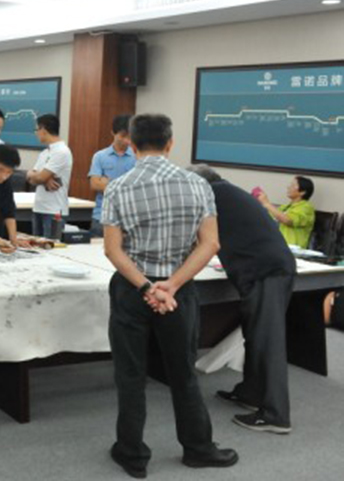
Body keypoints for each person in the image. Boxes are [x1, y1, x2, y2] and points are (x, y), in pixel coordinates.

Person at [101, 113, 237, 477]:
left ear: (131, 144)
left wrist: (147, 287)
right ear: (170, 143)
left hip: (132, 290)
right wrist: (172, 285)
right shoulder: (198, 185)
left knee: (130, 374)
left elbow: (113, 250)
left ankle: (131, 454)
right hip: (179, 291)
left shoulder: (118, 186)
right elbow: (210, 244)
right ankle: (199, 449)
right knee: (183, 372)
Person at [188, 164, 295, 434]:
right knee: (255, 335)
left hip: (266, 272)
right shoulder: (228, 192)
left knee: (267, 342)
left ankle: (276, 415)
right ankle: (251, 393)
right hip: (267, 268)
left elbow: (198, 240)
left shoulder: (211, 196)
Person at [88, 114, 136, 237]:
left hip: (128, 218)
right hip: (101, 215)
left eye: (130, 136)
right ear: (113, 133)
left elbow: (138, 188)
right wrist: (125, 186)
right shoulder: (100, 156)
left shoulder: (137, 157)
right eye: (123, 136)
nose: (127, 141)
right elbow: (94, 184)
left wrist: (107, 184)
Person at [27, 114, 73, 240]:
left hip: (54, 211)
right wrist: (42, 178)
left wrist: (41, 177)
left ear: (43, 129)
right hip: (38, 207)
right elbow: (31, 179)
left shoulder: (62, 151)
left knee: (51, 247)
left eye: (37, 130)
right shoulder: (45, 153)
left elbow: (39, 177)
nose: (36, 133)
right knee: (36, 247)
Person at [254, 177, 316, 249]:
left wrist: (267, 204)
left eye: (293, 185)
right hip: (277, 247)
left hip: (293, 250)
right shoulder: (285, 207)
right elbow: (269, 217)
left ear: (302, 192)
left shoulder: (306, 208)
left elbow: (288, 220)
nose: (288, 187)